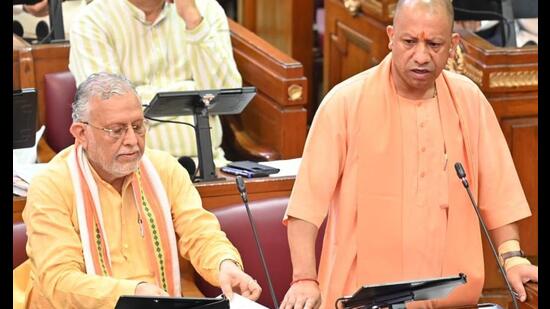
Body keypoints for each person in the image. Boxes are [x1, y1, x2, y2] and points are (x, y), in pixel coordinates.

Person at [280, 0, 538, 308]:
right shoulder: (344, 103)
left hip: (450, 298)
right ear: (391, 36)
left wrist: (512, 258)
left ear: (453, 44)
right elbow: (304, 211)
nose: (421, 56)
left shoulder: (468, 100)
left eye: (434, 44)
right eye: (409, 41)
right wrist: (305, 279)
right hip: (361, 300)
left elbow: (501, 194)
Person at [14, 72, 261, 308]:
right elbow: (59, 281)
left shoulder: (164, 169)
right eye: (117, 130)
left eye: (138, 126)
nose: (133, 140)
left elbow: (200, 232)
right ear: (81, 133)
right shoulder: (51, 186)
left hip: (160, 302)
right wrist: (133, 295)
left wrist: (224, 264)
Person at [69, 0, 242, 167]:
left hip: (210, 164)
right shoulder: (91, 21)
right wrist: (192, 91)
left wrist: (193, 21)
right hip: (131, 170)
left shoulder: (205, 9)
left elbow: (229, 97)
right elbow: (110, 109)